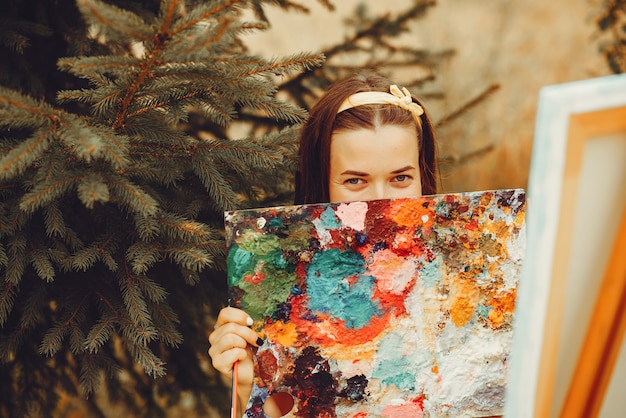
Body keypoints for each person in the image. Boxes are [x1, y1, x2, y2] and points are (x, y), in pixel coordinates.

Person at [208, 71, 439, 417]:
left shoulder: (471, 272)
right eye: (355, 180)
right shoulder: (284, 304)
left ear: (423, 174)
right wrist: (247, 394)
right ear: (323, 183)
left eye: (401, 177)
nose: (380, 201)